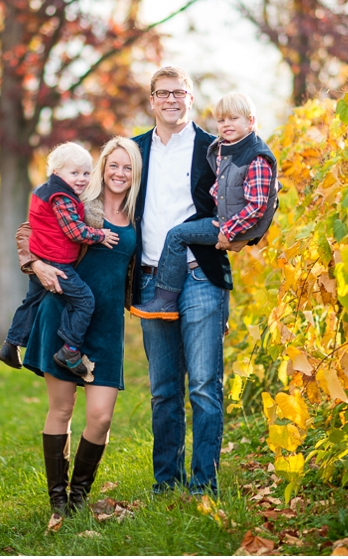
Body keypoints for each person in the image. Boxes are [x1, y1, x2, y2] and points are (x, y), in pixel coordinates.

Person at [130, 66, 258, 496]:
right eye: (162, 93)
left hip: (201, 274)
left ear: (189, 97)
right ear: (152, 101)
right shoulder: (133, 151)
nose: (170, 100)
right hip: (150, 280)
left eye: (178, 93)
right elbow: (104, 203)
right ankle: (166, 482)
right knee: (164, 390)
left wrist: (243, 236)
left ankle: (205, 485)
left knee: (204, 386)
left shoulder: (215, 147)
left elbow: (255, 193)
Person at [16, 137, 142, 517]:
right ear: (102, 168)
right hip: (64, 313)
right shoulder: (78, 201)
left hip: (106, 325)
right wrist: (35, 265)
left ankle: (79, 493)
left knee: (101, 416)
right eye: (113, 165)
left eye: (127, 167)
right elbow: (28, 231)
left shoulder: (141, 213)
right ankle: (59, 499)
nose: (119, 173)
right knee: (62, 409)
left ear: (136, 174)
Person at [130, 92, 278, 320]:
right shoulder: (227, 148)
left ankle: (165, 300)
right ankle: (207, 312)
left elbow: (258, 205)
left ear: (250, 121)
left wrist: (228, 231)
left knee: (177, 234)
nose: (226, 124)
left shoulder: (255, 157)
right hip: (223, 219)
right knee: (181, 232)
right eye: (221, 120)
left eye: (233, 119)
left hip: (226, 225)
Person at [0, 142, 119, 377]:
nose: (82, 178)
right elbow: (75, 231)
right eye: (74, 173)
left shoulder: (45, 190)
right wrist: (100, 235)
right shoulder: (62, 197)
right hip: (57, 262)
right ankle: (70, 349)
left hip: (45, 255)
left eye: (86, 173)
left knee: (32, 300)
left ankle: (10, 344)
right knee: (84, 301)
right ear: (57, 173)